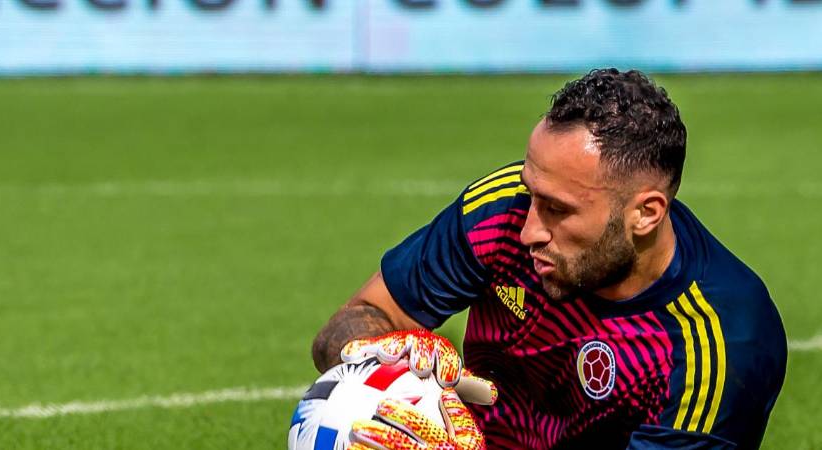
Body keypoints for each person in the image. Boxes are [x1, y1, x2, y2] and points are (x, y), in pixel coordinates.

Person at [312, 68, 787, 449]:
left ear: (645, 213)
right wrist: (383, 361)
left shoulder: (720, 348)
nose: (528, 229)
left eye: (558, 209)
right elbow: (349, 325)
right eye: (531, 191)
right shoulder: (502, 209)